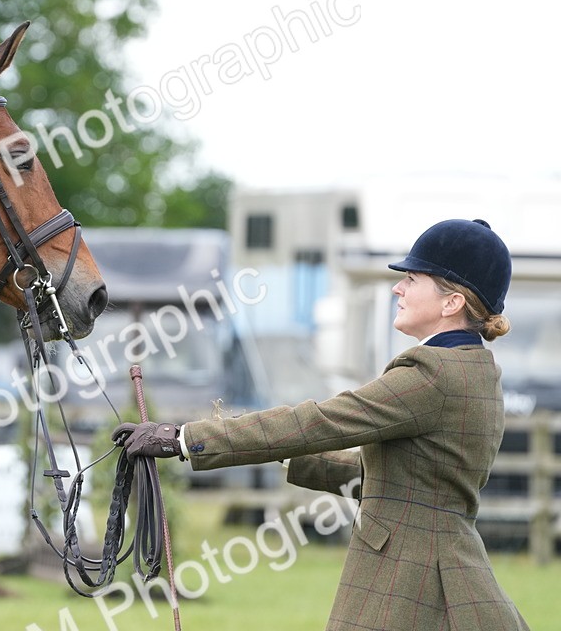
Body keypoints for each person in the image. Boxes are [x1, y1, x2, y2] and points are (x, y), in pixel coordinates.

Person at [114, 218, 530, 631]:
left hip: (409, 583)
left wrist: (184, 438)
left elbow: (321, 420)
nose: (397, 288)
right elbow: (400, 477)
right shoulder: (475, 368)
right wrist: (283, 458)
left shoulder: (432, 370)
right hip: (445, 571)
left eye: (413, 279)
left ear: (451, 302)